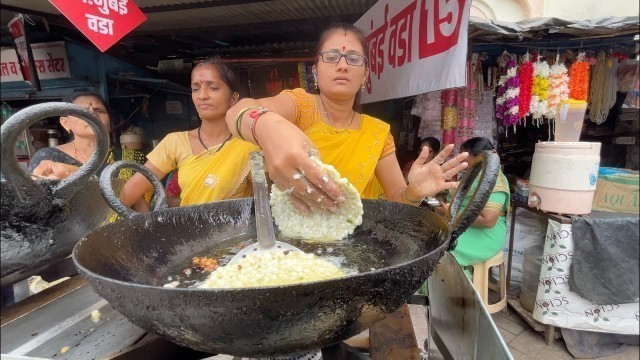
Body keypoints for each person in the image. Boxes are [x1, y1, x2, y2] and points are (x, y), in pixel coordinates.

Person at [224, 23, 468, 212]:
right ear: (315, 70)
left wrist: (414, 192)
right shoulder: (300, 106)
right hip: (295, 243)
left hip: (355, 245)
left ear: (365, 76)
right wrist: (268, 125)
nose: (342, 65)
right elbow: (238, 111)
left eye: (353, 59)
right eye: (331, 57)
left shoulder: (377, 133)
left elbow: (397, 200)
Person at [118, 56, 259, 209]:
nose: (202, 96)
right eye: (196, 88)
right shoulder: (175, 142)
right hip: (189, 231)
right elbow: (128, 193)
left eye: (213, 88)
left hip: (236, 232)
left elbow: (265, 202)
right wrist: (150, 227)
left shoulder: (249, 145)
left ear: (233, 98)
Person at [28, 91, 149, 215]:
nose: (92, 114)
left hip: (126, 231)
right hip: (73, 233)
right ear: (65, 123)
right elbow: (40, 207)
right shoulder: (49, 158)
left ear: (109, 122)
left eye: (100, 111)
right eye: (83, 111)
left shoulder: (130, 158)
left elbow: (145, 204)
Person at [436, 137, 510, 277]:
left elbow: (488, 220)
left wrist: (451, 214)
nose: (460, 159)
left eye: (464, 155)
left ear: (479, 156)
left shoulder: (495, 180)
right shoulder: (472, 175)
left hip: (484, 235)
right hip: (461, 226)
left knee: (439, 249)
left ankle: (457, 292)